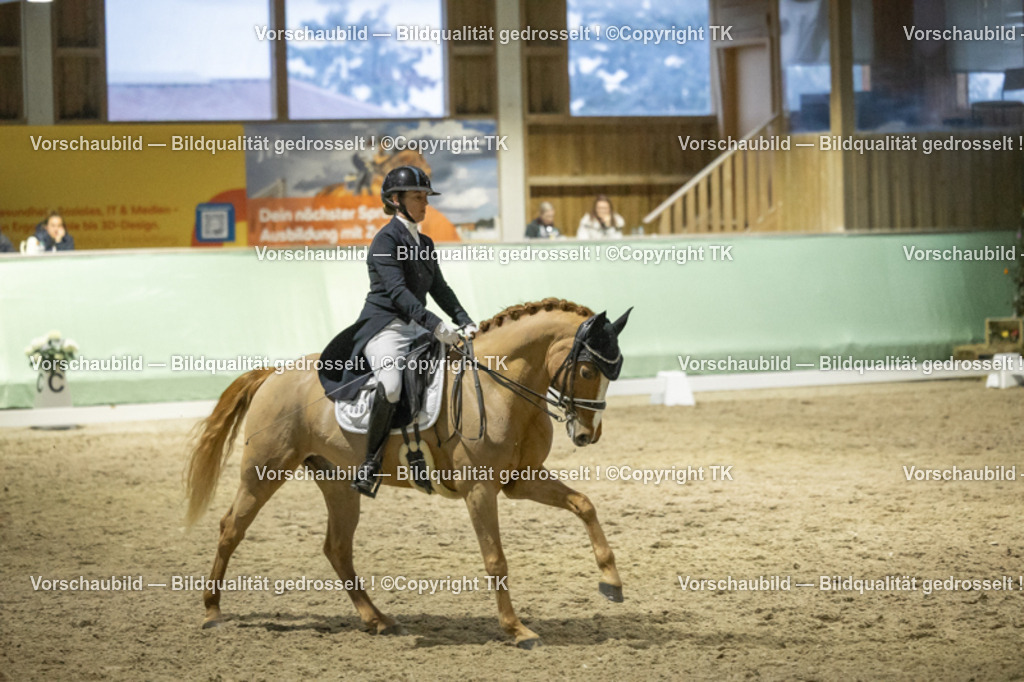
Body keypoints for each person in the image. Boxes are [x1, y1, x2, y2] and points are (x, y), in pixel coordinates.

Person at [318, 166, 476, 498]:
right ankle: (370, 464)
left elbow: (439, 288)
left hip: (416, 327)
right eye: (417, 197)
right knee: (390, 384)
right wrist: (435, 325)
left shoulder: (425, 242)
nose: (424, 204)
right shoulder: (384, 241)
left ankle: (427, 449)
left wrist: (464, 320)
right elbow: (399, 294)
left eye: (425, 197)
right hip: (385, 328)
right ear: (396, 200)